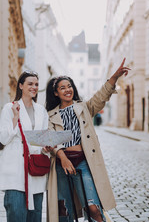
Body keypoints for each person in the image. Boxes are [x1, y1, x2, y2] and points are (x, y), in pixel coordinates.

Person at [45, 58, 130, 222]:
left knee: (93, 208)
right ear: (56, 93)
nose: (67, 90)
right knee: (64, 210)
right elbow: (52, 140)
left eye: (69, 86)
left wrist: (115, 77)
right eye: (62, 88)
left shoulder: (83, 107)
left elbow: (101, 96)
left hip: (84, 161)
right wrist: (63, 158)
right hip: (61, 164)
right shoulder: (50, 115)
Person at [0, 71, 53, 222]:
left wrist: (45, 148)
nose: (34, 87)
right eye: (30, 84)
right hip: (15, 170)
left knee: (35, 218)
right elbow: (3, 138)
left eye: (36, 84)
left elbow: (40, 139)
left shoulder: (41, 110)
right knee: (16, 215)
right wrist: (15, 117)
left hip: (35, 170)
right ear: (21, 86)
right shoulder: (9, 108)